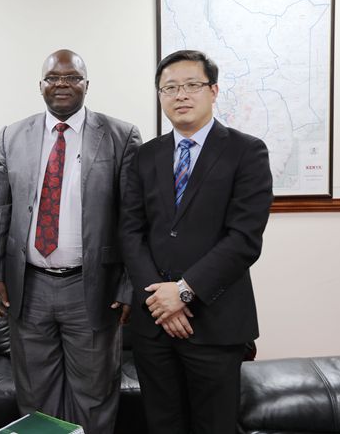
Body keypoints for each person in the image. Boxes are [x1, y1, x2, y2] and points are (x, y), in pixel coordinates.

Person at [0, 49, 142, 433]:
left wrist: (128, 284)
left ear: (87, 85)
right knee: (35, 395)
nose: (62, 85)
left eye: (72, 78)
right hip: (29, 286)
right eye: (53, 78)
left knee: (95, 394)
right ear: (40, 85)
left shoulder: (121, 136)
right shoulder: (12, 135)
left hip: (92, 287)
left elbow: (133, 216)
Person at [120, 49, 273, 434]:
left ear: (213, 90)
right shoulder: (144, 156)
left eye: (192, 85)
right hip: (154, 324)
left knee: (215, 426)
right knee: (162, 424)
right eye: (170, 88)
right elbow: (130, 232)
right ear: (160, 95)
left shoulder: (246, 151)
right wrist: (160, 301)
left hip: (215, 321)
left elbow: (244, 239)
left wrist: (184, 292)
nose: (181, 95)